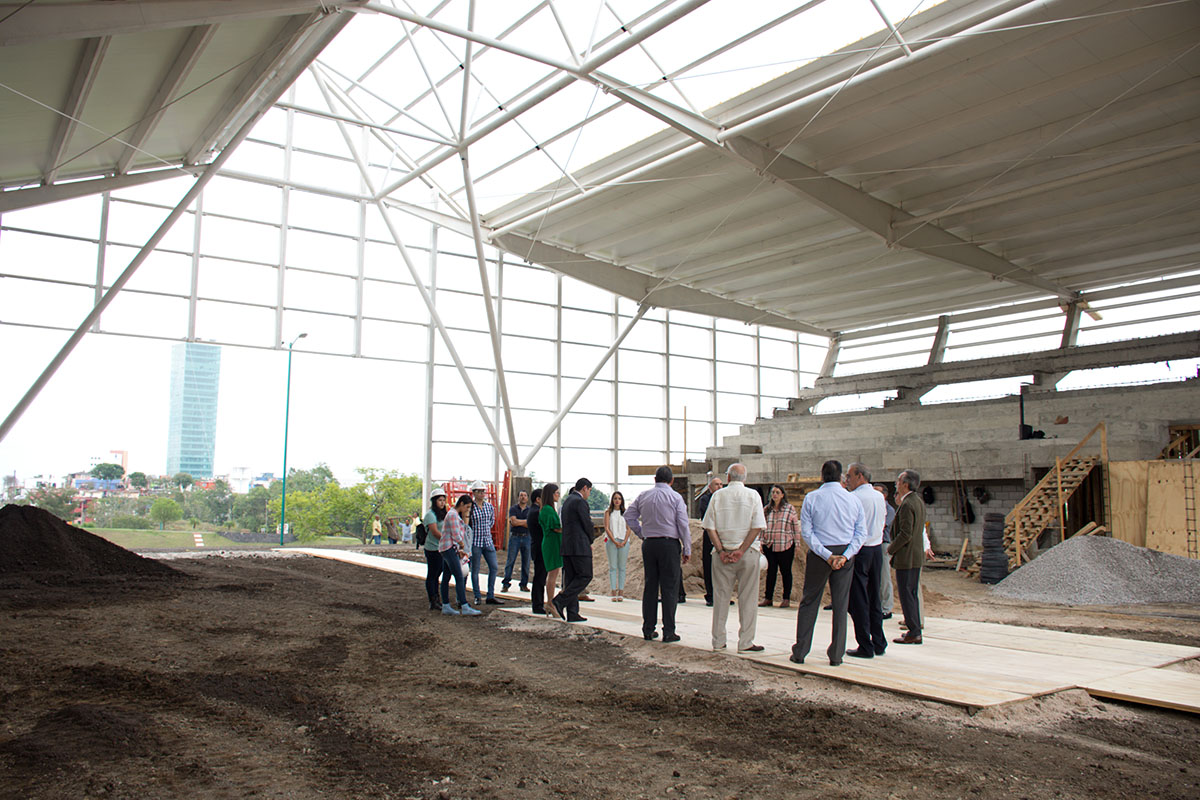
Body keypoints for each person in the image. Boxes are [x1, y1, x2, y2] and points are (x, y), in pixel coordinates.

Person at [791, 460, 866, 666]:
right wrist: (845, 555)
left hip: (819, 553)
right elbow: (861, 533)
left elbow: (807, 532)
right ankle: (836, 655)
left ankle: (800, 651)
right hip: (845, 553)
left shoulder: (812, 498)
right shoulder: (853, 500)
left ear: (821, 476)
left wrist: (826, 555)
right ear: (841, 476)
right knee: (841, 605)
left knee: (810, 602)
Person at [702, 463, 766, 653]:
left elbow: (709, 527)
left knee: (721, 598)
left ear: (728, 478)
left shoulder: (717, 496)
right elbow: (757, 526)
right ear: (744, 479)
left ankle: (718, 641)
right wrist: (742, 550)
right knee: (748, 598)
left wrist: (721, 550)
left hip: (722, 555)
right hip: (747, 554)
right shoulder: (753, 496)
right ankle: (746, 642)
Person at [626, 467, 691, 642]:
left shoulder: (643, 496)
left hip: (649, 543)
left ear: (655, 479)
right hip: (669, 544)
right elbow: (683, 524)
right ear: (671, 481)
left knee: (650, 586)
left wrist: (641, 533)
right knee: (669, 588)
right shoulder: (676, 497)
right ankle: (669, 631)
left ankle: (648, 629)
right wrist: (687, 548)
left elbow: (629, 515)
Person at [845, 464, 888, 659]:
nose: (847, 480)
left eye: (849, 476)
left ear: (860, 476)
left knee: (859, 599)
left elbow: (850, 526)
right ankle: (879, 641)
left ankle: (865, 644)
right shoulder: (879, 496)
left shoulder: (854, 498)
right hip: (876, 549)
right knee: (874, 597)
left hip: (860, 550)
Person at [889, 469, 928, 645]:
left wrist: (891, 548)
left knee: (906, 594)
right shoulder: (917, 502)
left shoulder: (907, 505)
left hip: (907, 556)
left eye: (898, 481)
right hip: (916, 555)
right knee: (911, 593)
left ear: (905, 484)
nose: (896, 484)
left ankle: (914, 631)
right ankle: (915, 629)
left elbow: (905, 533)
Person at [553, 478, 595, 623]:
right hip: (579, 546)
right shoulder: (580, 502)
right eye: (589, 490)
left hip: (567, 546)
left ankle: (572, 612)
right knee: (585, 575)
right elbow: (586, 523)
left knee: (571, 579)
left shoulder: (567, 501)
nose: (589, 493)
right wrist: (591, 539)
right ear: (584, 488)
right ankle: (559, 601)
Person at [439, 494, 481, 616]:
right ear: (461, 504)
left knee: (446, 577)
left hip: (448, 548)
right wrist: (462, 545)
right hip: (449, 548)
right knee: (458, 576)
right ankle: (464, 605)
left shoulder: (452, 514)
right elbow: (456, 534)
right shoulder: (453, 515)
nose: (467, 510)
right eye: (467, 507)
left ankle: (446, 605)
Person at [760, 484, 799, 608]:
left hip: (785, 545)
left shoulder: (789, 509)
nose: (775, 494)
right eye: (773, 492)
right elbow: (761, 526)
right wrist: (761, 541)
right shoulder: (767, 510)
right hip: (769, 545)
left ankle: (786, 598)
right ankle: (768, 598)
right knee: (771, 572)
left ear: (782, 495)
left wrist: (797, 544)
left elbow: (795, 528)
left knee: (785, 572)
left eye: (777, 492)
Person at [468, 480, 502, 606]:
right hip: (475, 542)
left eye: (483, 491)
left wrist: (486, 529)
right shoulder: (470, 507)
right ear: (474, 493)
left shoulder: (489, 507)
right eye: (479, 491)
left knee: (494, 567)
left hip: (487, 541)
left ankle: (490, 595)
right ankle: (477, 596)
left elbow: (492, 521)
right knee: (475, 570)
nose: (482, 494)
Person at [539, 484, 563, 618]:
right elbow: (555, 527)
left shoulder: (548, 509)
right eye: (556, 493)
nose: (558, 495)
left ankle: (550, 602)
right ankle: (550, 602)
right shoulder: (548, 510)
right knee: (552, 575)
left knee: (553, 574)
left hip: (554, 543)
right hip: (551, 543)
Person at [421, 489, 447, 610]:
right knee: (432, 574)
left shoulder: (443, 514)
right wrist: (448, 540)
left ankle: (437, 597)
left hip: (442, 548)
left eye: (443, 500)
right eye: (439, 500)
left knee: (438, 574)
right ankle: (433, 599)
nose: (442, 503)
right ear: (434, 501)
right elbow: (435, 532)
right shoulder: (430, 515)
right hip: (433, 548)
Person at [502, 490, 531, 593]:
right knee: (510, 561)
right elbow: (513, 522)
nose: (523, 497)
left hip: (527, 537)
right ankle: (506, 584)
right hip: (515, 537)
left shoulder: (530, 510)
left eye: (524, 495)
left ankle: (524, 584)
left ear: (527, 498)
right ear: (518, 497)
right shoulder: (513, 509)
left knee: (526, 562)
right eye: (521, 495)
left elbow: (529, 524)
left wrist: (518, 522)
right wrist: (524, 522)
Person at [603, 491, 630, 601]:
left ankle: (621, 592)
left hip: (624, 542)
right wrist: (614, 541)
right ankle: (613, 591)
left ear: (622, 500)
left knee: (622, 567)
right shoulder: (608, 512)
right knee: (613, 567)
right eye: (615, 498)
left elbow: (629, 528)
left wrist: (624, 541)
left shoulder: (626, 513)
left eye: (619, 498)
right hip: (611, 541)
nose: (617, 500)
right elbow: (607, 527)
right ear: (612, 500)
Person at [875, 484, 896, 620]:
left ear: (884, 495)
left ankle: (886, 608)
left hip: (883, 544)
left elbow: (881, 525)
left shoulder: (888, 509)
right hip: (872, 544)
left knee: (884, 576)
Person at [527, 488, 547, 614]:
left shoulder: (533, 511)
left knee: (540, 576)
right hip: (539, 548)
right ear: (538, 499)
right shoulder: (536, 512)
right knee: (540, 577)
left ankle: (538, 603)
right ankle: (537, 604)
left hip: (536, 546)